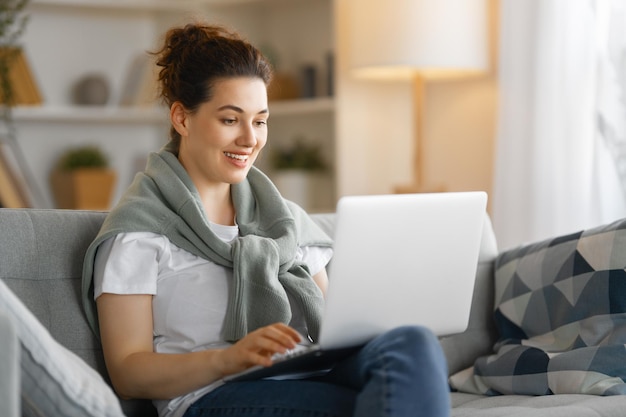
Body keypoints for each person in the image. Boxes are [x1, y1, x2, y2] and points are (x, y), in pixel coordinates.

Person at [81, 22, 451, 417]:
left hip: (311, 371)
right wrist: (228, 359)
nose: (250, 138)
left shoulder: (286, 222)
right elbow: (127, 371)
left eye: (260, 121)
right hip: (213, 394)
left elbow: (334, 328)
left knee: (413, 342)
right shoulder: (140, 231)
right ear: (181, 118)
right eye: (230, 119)